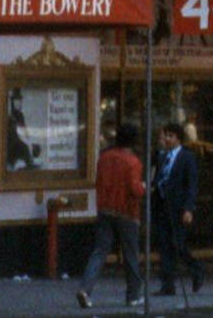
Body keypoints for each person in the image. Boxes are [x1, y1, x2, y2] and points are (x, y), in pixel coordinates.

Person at [76, 120, 145, 310]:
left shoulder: (104, 157)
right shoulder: (133, 162)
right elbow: (135, 189)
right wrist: (144, 188)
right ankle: (133, 295)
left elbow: (98, 180)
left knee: (100, 251)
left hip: (105, 208)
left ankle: (85, 288)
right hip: (127, 212)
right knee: (131, 254)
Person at [154, 119, 202, 298]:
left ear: (179, 139)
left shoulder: (187, 157)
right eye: (165, 135)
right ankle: (168, 284)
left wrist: (189, 208)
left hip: (178, 207)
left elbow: (192, 184)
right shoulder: (161, 155)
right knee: (164, 245)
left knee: (178, 244)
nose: (167, 139)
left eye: (170, 136)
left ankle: (196, 268)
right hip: (163, 206)